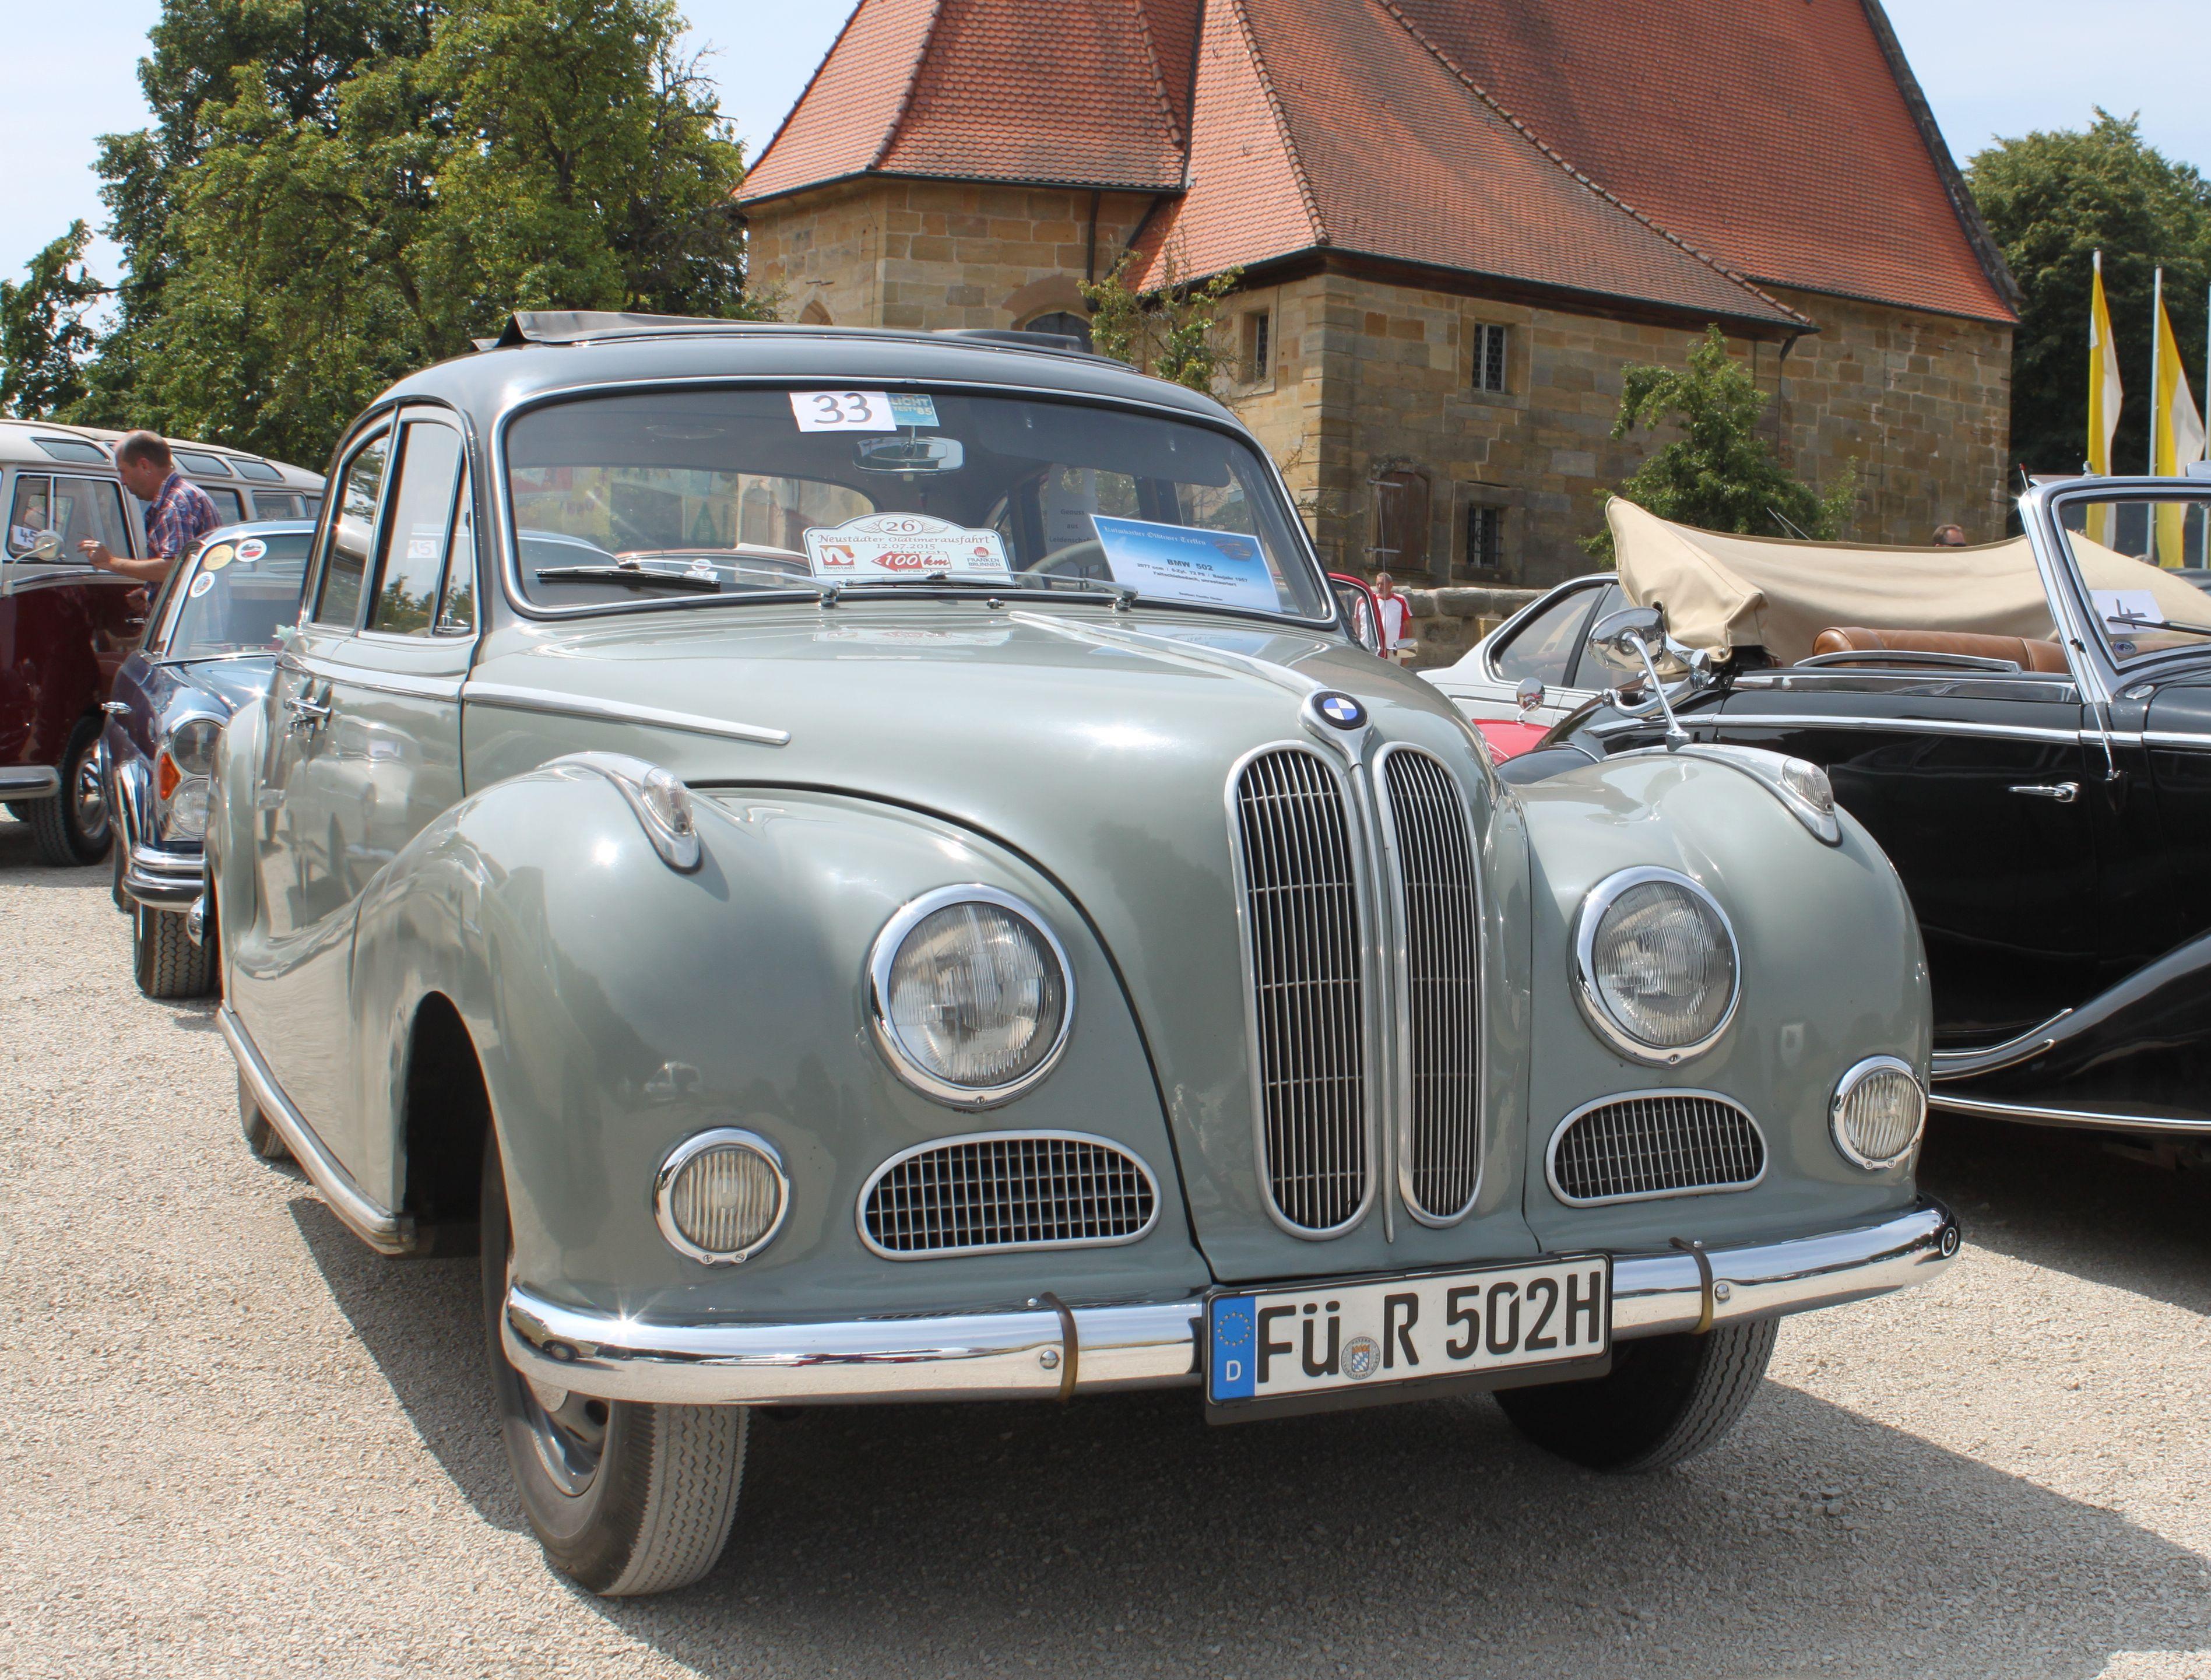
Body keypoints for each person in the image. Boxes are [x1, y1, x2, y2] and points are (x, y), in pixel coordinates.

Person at [78, 431, 220, 585]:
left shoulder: (177, 504)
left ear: (145, 466)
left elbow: (173, 569)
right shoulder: (182, 498)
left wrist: (110, 562)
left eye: (123, 471)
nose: (123, 481)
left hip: (193, 610)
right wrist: (149, 592)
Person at [1373, 570, 1411, 659]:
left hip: (1394, 651)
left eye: (1383, 584)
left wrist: (1406, 654)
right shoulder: (1372, 600)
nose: (1380, 587)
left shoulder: (1401, 601)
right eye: (1378, 584)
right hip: (1375, 651)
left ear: (1391, 585)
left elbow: (1408, 627)